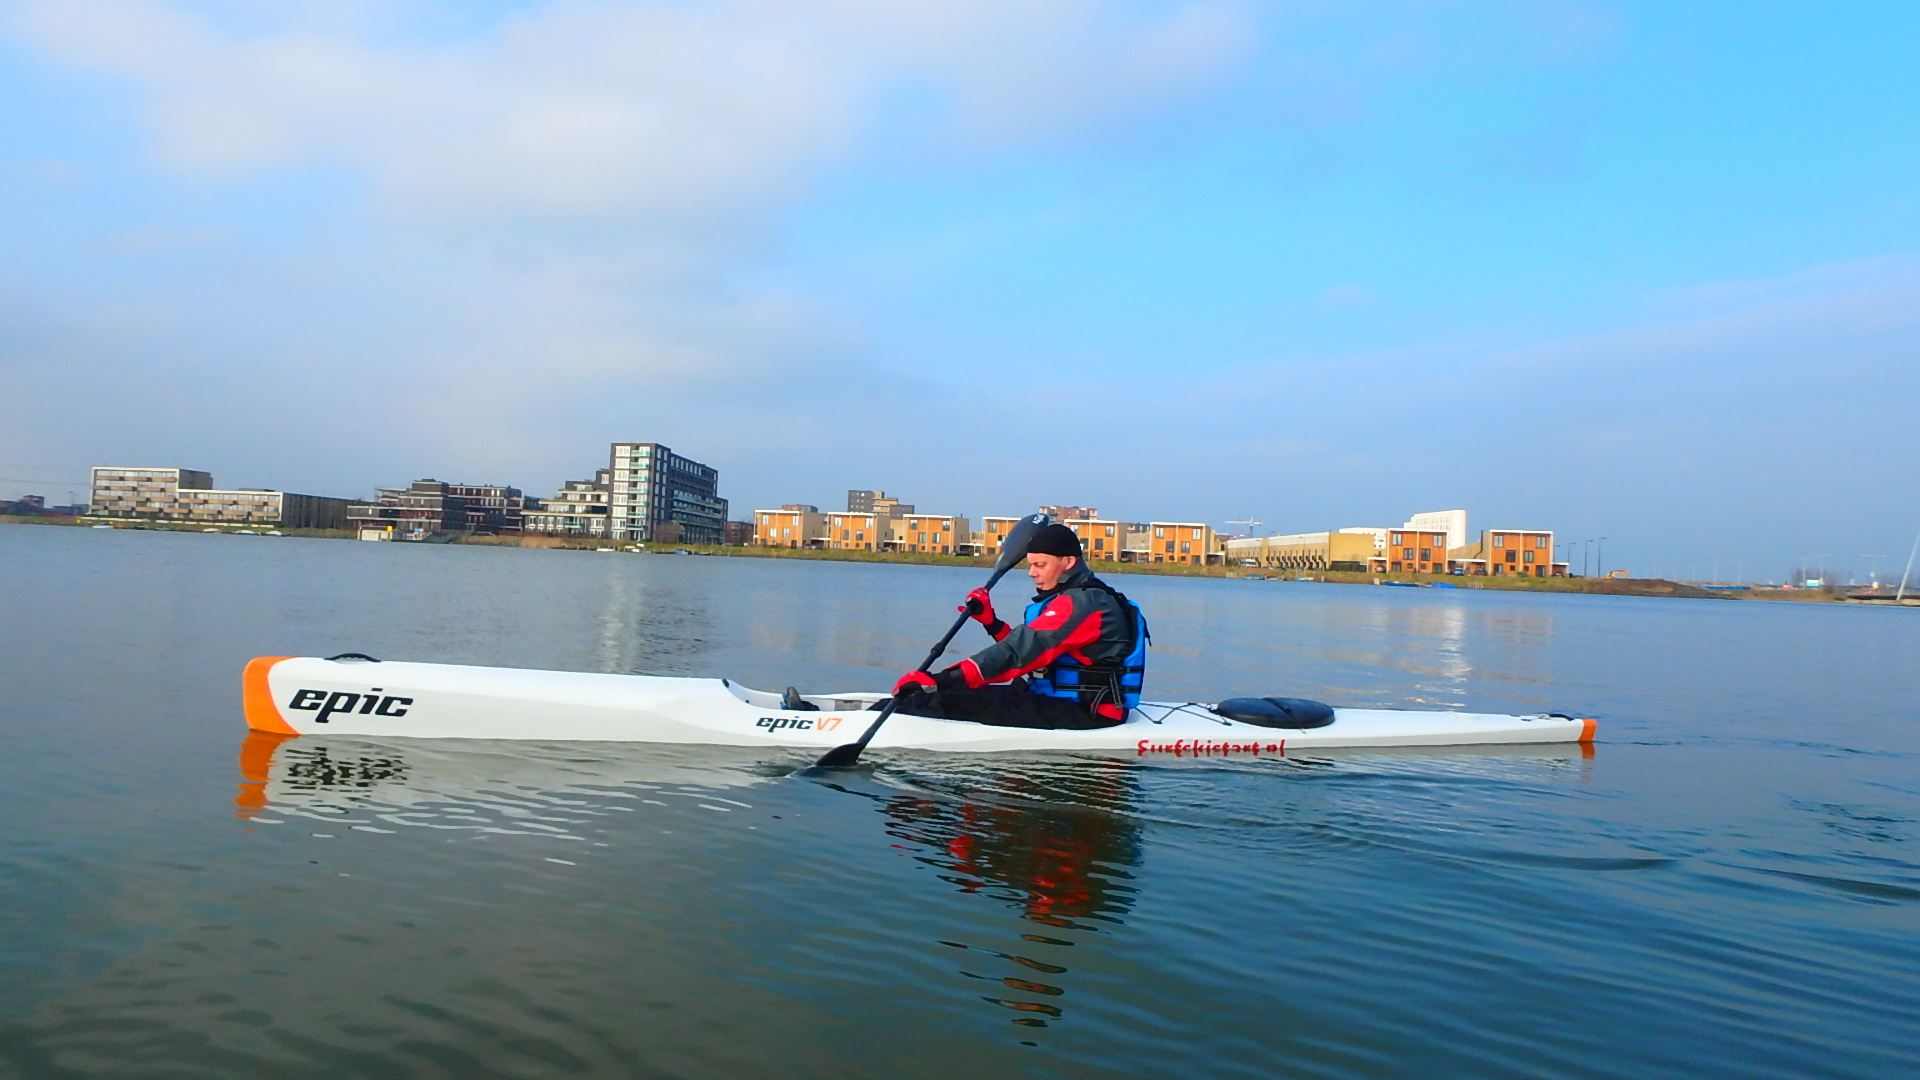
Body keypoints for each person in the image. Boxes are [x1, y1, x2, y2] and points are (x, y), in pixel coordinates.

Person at [889, 523, 1148, 730]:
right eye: (1030, 565)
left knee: (934, 700)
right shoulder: (1078, 597)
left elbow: (1016, 654)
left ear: (1068, 562)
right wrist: (991, 622)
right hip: (1055, 700)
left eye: (1040, 565)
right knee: (939, 696)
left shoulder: (1083, 604)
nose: (1031, 573)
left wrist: (938, 680)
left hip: (1085, 713)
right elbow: (1033, 651)